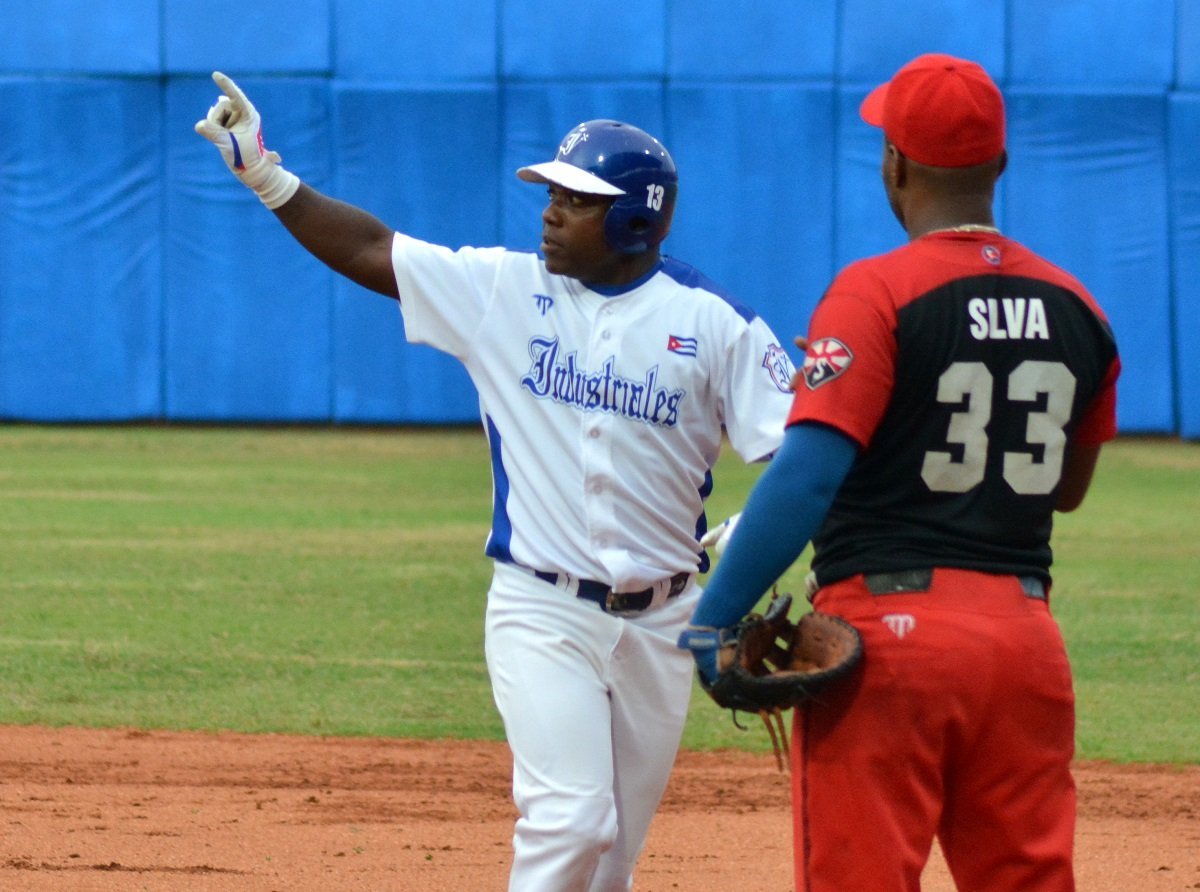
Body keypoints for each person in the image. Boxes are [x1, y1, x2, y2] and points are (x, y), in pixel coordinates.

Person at [194, 73, 796, 892]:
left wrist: (764, 539)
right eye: (551, 192)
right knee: (572, 821)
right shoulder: (504, 290)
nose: (549, 209)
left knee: (611, 862)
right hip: (540, 607)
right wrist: (264, 172)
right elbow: (375, 250)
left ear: (632, 220)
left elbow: (803, 453)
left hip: (665, 624)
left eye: (575, 199)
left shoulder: (714, 324)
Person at [679, 53, 1121, 891]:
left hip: (891, 642)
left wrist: (715, 618)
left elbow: (805, 479)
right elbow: (1067, 487)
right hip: (1026, 642)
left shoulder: (874, 293)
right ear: (1000, 163)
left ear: (896, 165)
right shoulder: (1079, 307)